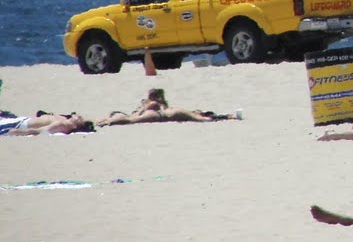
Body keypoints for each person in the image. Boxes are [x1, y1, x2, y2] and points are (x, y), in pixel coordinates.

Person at [96, 88, 239, 126]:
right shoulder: (157, 105)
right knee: (200, 117)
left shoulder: (148, 103)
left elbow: (135, 115)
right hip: (165, 114)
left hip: (159, 113)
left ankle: (108, 121)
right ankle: (228, 116)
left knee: (130, 119)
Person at [0, 112, 95, 136]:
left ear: (76, 126)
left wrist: (19, 132)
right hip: (24, 120)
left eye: (79, 119)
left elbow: (41, 130)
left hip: (20, 124)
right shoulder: (64, 119)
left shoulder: (63, 125)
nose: (78, 116)